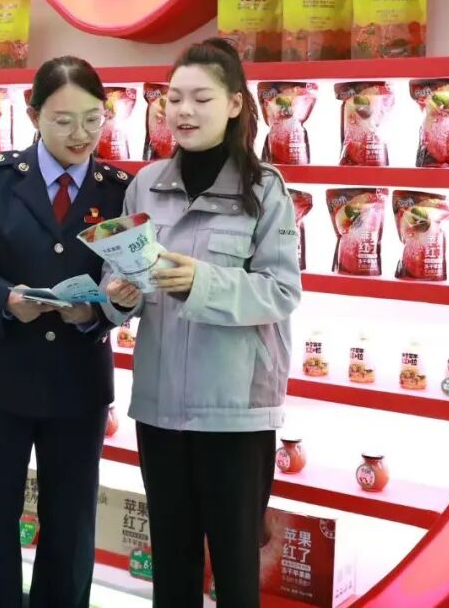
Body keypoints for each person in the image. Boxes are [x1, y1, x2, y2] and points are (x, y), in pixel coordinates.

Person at [102, 38, 303, 608]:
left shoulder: (265, 190)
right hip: (160, 404)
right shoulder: (145, 184)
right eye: (173, 99)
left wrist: (203, 282)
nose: (183, 111)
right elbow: (123, 282)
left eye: (201, 98)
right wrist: (117, 296)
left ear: (235, 104)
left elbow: (282, 291)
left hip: (235, 411)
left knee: (236, 566)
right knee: (172, 560)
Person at [0, 56, 131, 608]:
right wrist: (4, 300)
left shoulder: (119, 189)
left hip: (77, 384)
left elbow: (127, 283)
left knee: (71, 527)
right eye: (63, 120)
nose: (81, 134)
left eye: (93, 119)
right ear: (33, 114)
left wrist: (95, 313)